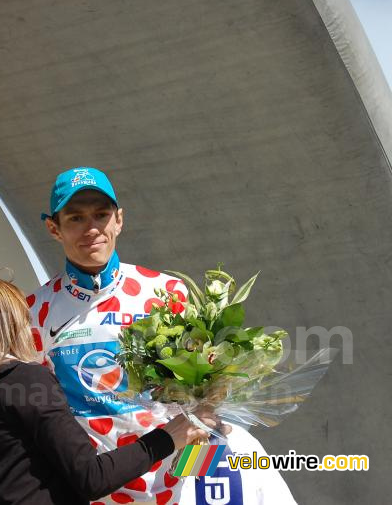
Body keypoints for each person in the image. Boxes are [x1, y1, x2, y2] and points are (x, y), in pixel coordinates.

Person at [29, 167, 297, 504]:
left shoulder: (164, 291)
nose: (92, 228)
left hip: (171, 484)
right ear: (54, 228)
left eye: (101, 214)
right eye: (76, 218)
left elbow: (205, 388)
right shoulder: (33, 311)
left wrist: (206, 422)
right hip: (88, 490)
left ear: (119, 220)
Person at [0, 274, 218, 504]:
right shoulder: (27, 379)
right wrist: (168, 437)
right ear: (11, 323)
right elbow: (91, 477)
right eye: (23, 317)